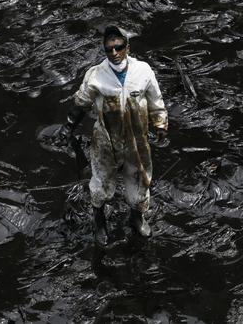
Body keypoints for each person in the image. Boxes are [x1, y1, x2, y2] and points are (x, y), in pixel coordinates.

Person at [60, 26, 168, 246]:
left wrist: (160, 126)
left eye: (118, 47)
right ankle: (100, 223)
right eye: (109, 49)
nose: (114, 53)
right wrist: (68, 126)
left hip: (136, 139)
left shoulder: (143, 71)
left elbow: (156, 101)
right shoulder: (96, 75)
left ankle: (136, 218)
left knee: (139, 180)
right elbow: (81, 103)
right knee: (100, 185)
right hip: (106, 140)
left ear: (127, 47)